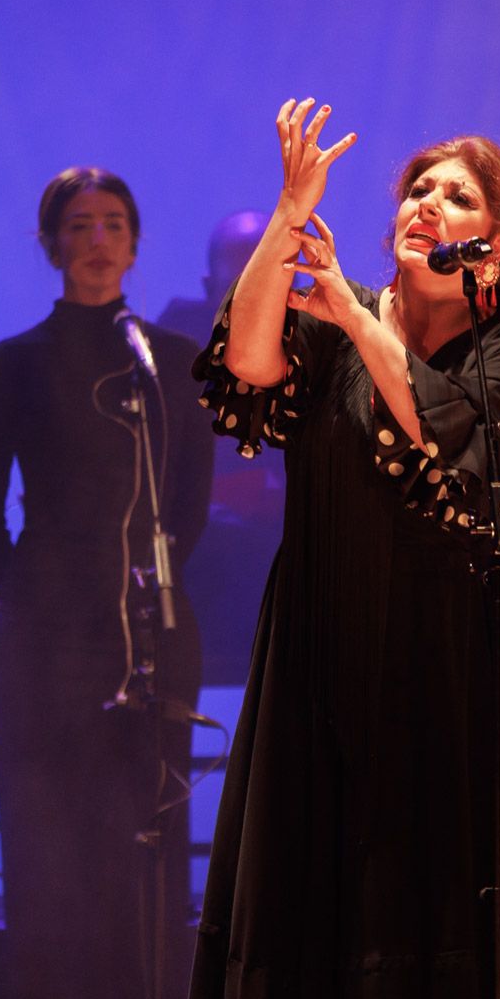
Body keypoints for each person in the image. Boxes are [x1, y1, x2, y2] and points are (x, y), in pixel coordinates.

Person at [187, 100, 500, 999]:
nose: (426, 205)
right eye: (417, 190)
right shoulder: (333, 325)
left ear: (493, 244)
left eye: (456, 197)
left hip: (448, 657)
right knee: (309, 900)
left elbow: (446, 435)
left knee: (435, 902)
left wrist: (357, 314)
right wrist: (290, 215)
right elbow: (245, 369)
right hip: (321, 637)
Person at [0, 166, 213, 999]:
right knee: (50, 853)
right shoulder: (13, 365)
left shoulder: (172, 364)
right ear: (51, 244)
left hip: (149, 630)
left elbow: (188, 510)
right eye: (79, 224)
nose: (96, 239)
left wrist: (139, 598)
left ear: (135, 244)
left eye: (112, 224)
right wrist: (35, 606)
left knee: (143, 852)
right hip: (42, 645)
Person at [156, 209, 284, 686]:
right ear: (212, 287)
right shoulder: (170, 357)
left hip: (291, 580)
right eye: (242, 279)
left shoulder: (321, 350)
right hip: (204, 581)